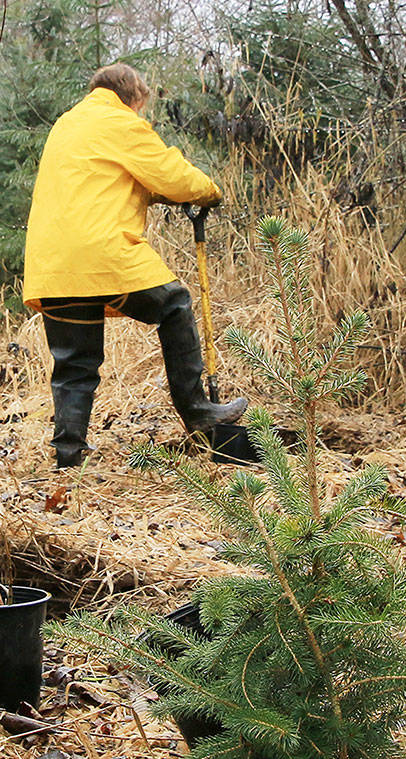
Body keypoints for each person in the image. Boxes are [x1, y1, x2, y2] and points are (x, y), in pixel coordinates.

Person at [23, 62, 247, 468]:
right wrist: (210, 193)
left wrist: (151, 195)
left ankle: (68, 457)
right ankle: (196, 410)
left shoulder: (68, 125)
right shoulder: (120, 121)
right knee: (174, 303)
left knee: (75, 362)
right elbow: (174, 176)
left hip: (52, 266)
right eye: (141, 106)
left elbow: (100, 184)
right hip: (101, 255)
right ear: (134, 97)